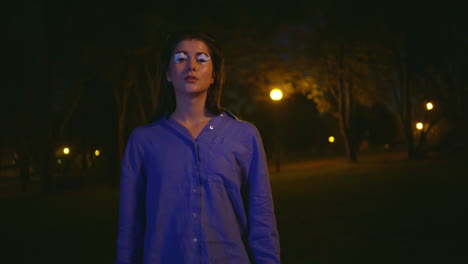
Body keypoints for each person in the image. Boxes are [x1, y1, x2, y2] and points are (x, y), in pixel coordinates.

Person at [115, 31, 280, 264]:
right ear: (168, 74)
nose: (191, 65)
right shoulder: (143, 141)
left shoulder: (245, 136)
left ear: (214, 75)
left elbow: (262, 220)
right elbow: (130, 228)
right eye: (181, 58)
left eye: (202, 59)